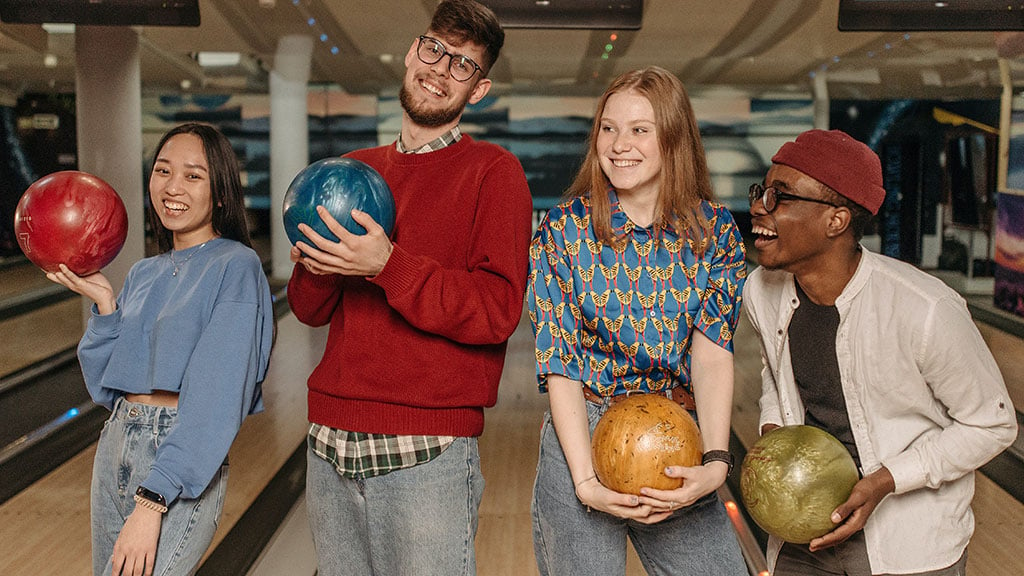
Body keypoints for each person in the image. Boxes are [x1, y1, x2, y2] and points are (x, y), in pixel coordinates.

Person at [285, 1, 532, 574]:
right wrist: (317, 266)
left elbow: (497, 310)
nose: (440, 69)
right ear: (411, 52)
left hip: (427, 449)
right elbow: (307, 310)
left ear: (479, 89)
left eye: (462, 65)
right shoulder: (351, 170)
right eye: (434, 50)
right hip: (330, 440)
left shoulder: (494, 172)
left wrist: (385, 265)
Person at [744, 129, 1018, 575]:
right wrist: (774, 428)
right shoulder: (762, 290)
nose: (759, 205)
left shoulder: (925, 310)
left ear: (836, 221)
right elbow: (774, 372)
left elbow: (993, 424)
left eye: (782, 196)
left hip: (908, 543)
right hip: (801, 532)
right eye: (763, 191)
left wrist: (887, 480)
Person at [527, 66, 749, 575]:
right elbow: (560, 364)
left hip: (675, 433)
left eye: (640, 129)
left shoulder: (715, 232)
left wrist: (716, 462)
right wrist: (585, 483)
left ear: (674, 138)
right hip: (581, 433)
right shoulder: (563, 231)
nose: (619, 144)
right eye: (609, 128)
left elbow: (712, 354)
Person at [46, 122, 275, 576]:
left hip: (174, 451)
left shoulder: (236, 266)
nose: (173, 187)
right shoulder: (143, 273)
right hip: (115, 445)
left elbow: (217, 400)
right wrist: (106, 308)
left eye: (193, 176)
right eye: (163, 170)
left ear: (222, 194)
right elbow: (105, 388)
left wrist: (153, 500)